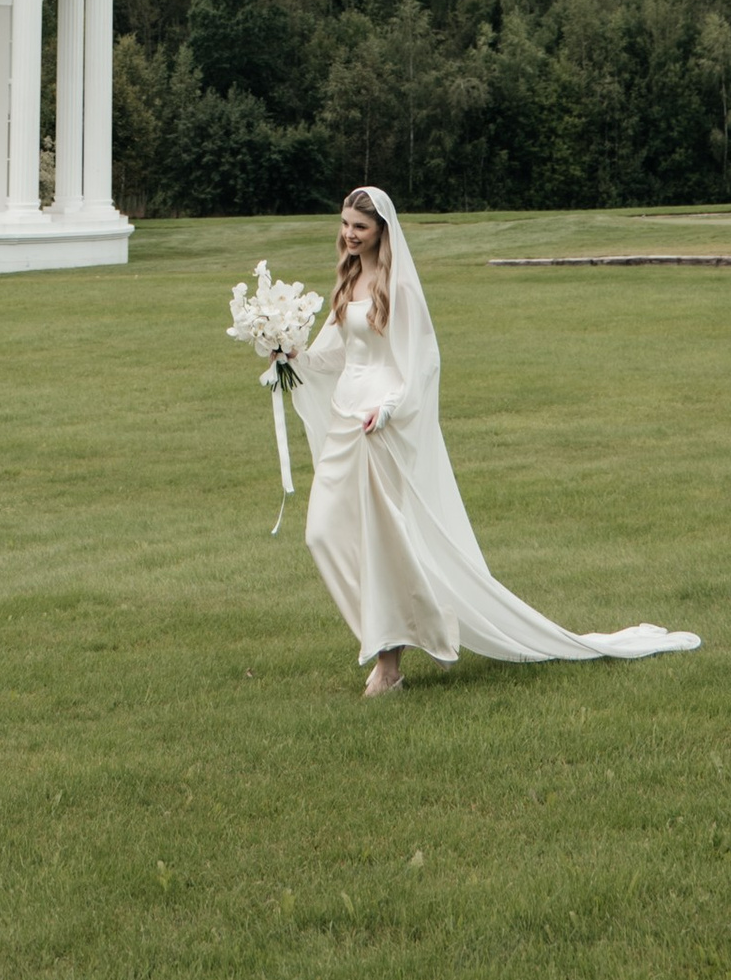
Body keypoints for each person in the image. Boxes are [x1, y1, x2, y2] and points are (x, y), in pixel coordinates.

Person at [292, 186, 700, 697]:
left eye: (360, 227)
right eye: (346, 224)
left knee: (384, 541)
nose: (350, 235)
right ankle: (410, 626)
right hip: (344, 422)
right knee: (323, 533)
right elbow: (334, 356)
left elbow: (421, 363)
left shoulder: (399, 287)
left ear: (382, 232)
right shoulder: (348, 279)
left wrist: (390, 407)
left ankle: (388, 660)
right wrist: (288, 352)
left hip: (378, 425)